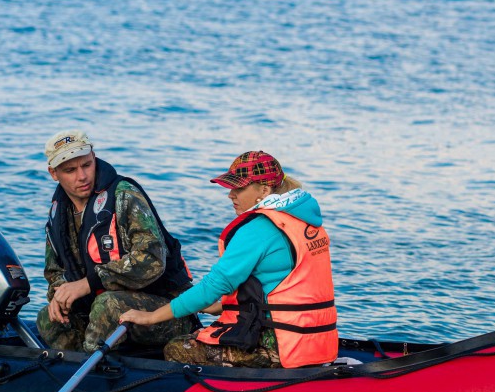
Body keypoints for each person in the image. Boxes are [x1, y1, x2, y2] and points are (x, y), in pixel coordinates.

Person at [119, 151, 338, 368]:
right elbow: (282, 287)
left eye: (239, 188)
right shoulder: (303, 221)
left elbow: (214, 286)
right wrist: (220, 307)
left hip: (282, 346)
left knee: (178, 348)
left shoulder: (259, 229)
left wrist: (150, 317)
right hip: (315, 341)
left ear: (264, 190)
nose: (230, 195)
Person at [37, 130, 196, 352]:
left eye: (86, 165)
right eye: (70, 170)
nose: (82, 176)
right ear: (54, 173)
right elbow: (54, 271)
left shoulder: (124, 196)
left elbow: (151, 260)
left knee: (108, 306)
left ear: (94, 157)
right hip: (100, 306)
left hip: (166, 310)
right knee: (48, 318)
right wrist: (59, 295)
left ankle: (93, 366)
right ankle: (76, 365)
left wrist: (89, 283)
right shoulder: (58, 212)